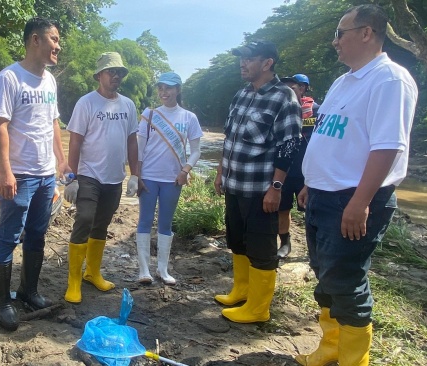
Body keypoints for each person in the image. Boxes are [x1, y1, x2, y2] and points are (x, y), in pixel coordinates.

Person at [295, 5, 418, 366]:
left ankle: (354, 360)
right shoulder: (344, 80)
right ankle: (331, 347)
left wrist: (360, 202)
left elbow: (387, 146)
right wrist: (311, 183)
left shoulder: (389, 79)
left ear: (366, 33)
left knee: (347, 280)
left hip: (354, 198)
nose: (335, 41)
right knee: (325, 274)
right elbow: (330, 136)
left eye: (340, 33)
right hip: (322, 195)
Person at [0, 17, 70, 331]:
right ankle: (2, 301)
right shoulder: (9, 78)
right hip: (19, 175)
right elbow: (0, 126)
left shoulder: (50, 80)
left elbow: (52, 124)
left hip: (46, 174)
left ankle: (28, 292)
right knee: (8, 237)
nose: (58, 46)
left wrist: (61, 162)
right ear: (35, 40)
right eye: (53, 39)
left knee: (37, 235)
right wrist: (5, 171)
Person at [213, 40, 302, 324]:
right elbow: (230, 139)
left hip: (261, 190)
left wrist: (276, 188)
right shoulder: (241, 95)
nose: (243, 63)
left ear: (267, 63)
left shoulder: (284, 97)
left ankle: (259, 309)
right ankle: (242, 290)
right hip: (234, 184)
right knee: (237, 240)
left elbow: (289, 146)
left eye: (249, 58)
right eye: (241, 58)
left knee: (262, 248)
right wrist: (219, 172)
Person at [63, 52, 140, 304]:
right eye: (111, 71)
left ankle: (92, 273)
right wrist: (71, 177)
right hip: (88, 175)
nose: (116, 76)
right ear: (99, 75)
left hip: (114, 177)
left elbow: (131, 140)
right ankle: (73, 281)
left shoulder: (128, 105)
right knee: (84, 219)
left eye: (119, 72)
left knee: (102, 225)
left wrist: (134, 175)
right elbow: (75, 141)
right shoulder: (86, 103)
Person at [135, 72, 202, 285]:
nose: (164, 92)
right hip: (148, 177)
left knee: (166, 223)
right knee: (144, 221)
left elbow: (196, 150)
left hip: (173, 179)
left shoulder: (189, 117)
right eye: (161, 88)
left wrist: (186, 171)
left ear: (178, 90)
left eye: (169, 88)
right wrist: (135, 175)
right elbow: (139, 147)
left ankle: (163, 270)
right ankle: (144, 270)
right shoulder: (150, 114)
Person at [276, 74, 320, 258]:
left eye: (292, 88)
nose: (287, 92)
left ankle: (316, 248)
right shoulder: (279, 110)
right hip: (284, 170)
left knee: (312, 210)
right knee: (282, 209)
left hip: (308, 172)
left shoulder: (318, 111)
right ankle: (285, 243)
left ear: (302, 88)